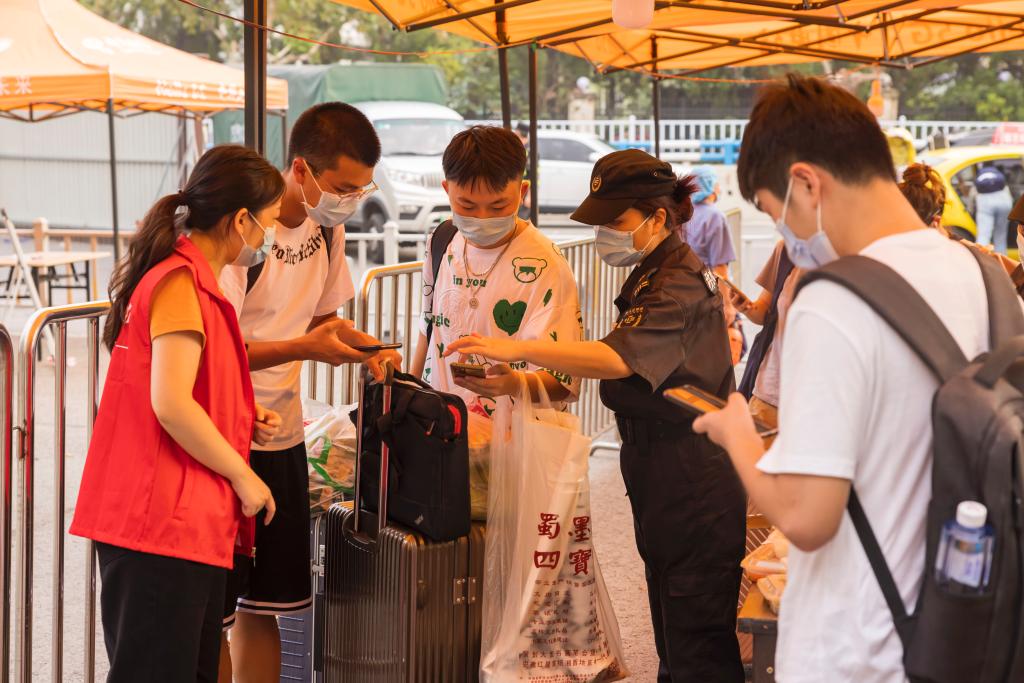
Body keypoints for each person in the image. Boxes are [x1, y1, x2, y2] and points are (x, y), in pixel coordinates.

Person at [693, 74, 994, 682]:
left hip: (856, 649)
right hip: (957, 633)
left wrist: (737, 437)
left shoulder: (834, 300)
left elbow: (807, 517)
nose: (787, 236)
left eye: (777, 214)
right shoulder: (981, 275)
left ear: (807, 183)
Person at [446, 149, 745, 683]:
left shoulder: (675, 282)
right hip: (661, 463)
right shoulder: (656, 269)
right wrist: (513, 380)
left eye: (615, 221)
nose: (605, 233)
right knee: (673, 613)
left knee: (696, 626)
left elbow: (614, 358)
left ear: (657, 217)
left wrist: (517, 348)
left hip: (691, 470)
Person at [69, 145, 283, 683]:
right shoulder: (180, 283)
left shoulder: (197, 283)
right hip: (158, 526)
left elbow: (187, 387)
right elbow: (169, 402)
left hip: (181, 524)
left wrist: (241, 414)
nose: (270, 237)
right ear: (241, 220)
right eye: (271, 222)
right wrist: (244, 476)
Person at [218, 103, 400, 683]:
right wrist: (304, 348)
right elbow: (215, 350)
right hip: (223, 434)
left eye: (361, 189)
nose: (351, 201)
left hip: (283, 435)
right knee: (212, 614)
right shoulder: (244, 232)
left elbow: (324, 320)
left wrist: (370, 348)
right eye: (343, 188)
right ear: (301, 168)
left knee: (267, 606)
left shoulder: (326, 227)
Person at [412, 125, 581, 413]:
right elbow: (427, 331)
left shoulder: (546, 264)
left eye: (498, 206)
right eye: (467, 205)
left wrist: (514, 384)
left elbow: (564, 380)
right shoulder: (441, 241)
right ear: (447, 190)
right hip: (443, 426)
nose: (482, 217)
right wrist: (408, 395)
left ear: (522, 191)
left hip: (514, 432)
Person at [683, 164, 737, 279]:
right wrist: (725, 292)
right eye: (716, 183)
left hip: (687, 282)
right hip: (708, 285)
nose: (719, 188)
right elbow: (720, 268)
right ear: (710, 185)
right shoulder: (715, 217)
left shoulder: (685, 213)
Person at [974, 164, 1013, 254]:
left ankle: (980, 258)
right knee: (1000, 236)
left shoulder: (980, 176)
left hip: (985, 202)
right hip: (1004, 201)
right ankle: (1001, 260)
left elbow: (974, 194)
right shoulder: (998, 175)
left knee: (984, 235)